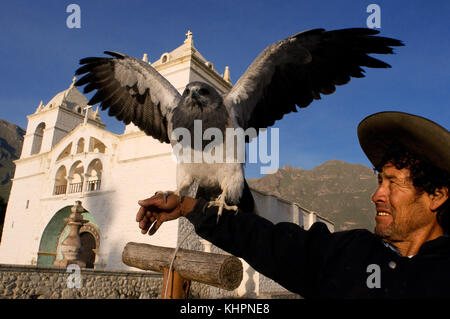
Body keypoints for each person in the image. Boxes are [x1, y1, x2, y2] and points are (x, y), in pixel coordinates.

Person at [136, 111, 449, 298]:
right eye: (379, 181)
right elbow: (269, 242)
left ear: (437, 195)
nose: (377, 194)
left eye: (393, 183)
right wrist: (189, 207)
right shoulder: (352, 254)